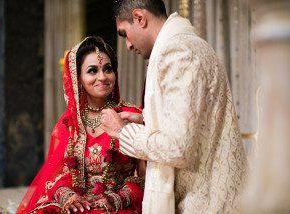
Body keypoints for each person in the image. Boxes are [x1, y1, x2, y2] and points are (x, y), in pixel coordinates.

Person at [100, 0, 248, 213]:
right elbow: (195, 118)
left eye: (124, 33)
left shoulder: (178, 52)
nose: (128, 45)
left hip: (209, 202)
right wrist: (147, 119)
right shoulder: (186, 44)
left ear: (140, 18)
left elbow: (177, 147)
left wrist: (123, 132)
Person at [17, 36, 145, 214]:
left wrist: (117, 198)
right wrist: (68, 197)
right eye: (92, 71)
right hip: (77, 208)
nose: (102, 77)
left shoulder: (132, 116)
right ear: (78, 78)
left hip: (119, 208)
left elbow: (147, 176)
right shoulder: (68, 124)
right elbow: (55, 175)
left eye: (108, 69)